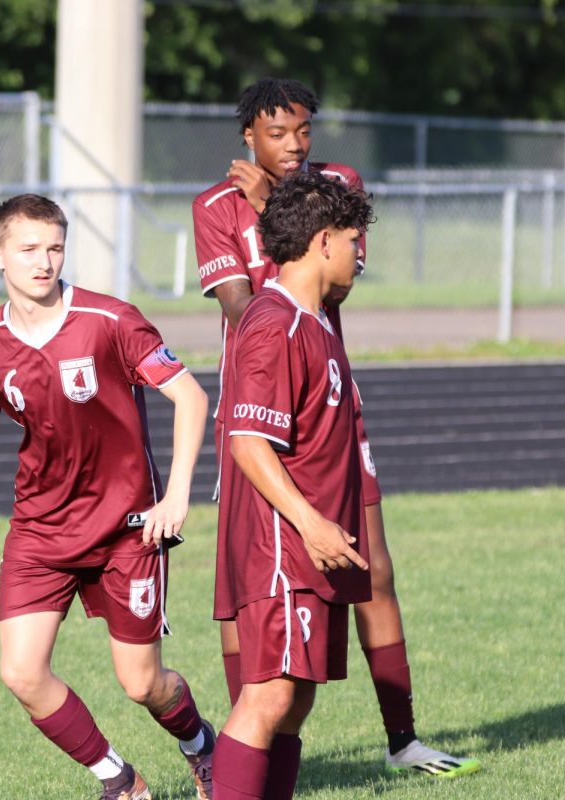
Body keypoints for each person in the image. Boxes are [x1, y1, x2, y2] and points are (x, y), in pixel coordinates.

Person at [192, 78, 481, 779]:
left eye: (302, 131)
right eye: (277, 133)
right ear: (248, 138)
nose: (293, 145)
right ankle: (240, 753)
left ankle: (399, 736)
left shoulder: (337, 187)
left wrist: (277, 214)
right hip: (267, 409)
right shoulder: (215, 210)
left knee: (370, 568)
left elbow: (338, 282)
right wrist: (279, 229)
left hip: (328, 399)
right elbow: (244, 311)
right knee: (253, 610)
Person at [0, 194, 215, 800]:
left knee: (142, 684)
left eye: (54, 247)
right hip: (41, 529)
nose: (44, 261)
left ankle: (202, 745)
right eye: (28, 249)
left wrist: (177, 493)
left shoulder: (112, 321)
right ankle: (120, 781)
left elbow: (191, 396)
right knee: (21, 672)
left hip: (129, 528)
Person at [211, 171, 376, 798]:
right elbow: (247, 440)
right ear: (324, 240)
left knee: (296, 698)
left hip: (318, 544)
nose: (362, 255)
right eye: (356, 240)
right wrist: (310, 522)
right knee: (270, 694)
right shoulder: (272, 322)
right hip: (285, 546)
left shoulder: (317, 320)